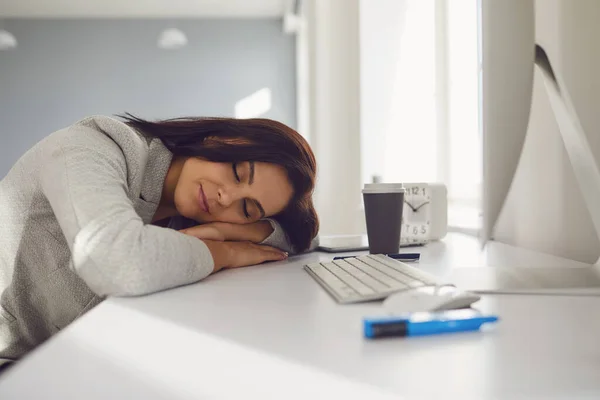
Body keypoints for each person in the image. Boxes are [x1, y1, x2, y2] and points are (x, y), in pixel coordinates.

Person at [0, 114, 319, 369]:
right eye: (237, 173)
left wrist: (228, 230)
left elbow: (302, 238)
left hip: (61, 362)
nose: (226, 198)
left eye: (247, 208)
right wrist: (223, 252)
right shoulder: (88, 147)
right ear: (219, 139)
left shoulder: (188, 215)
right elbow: (115, 262)